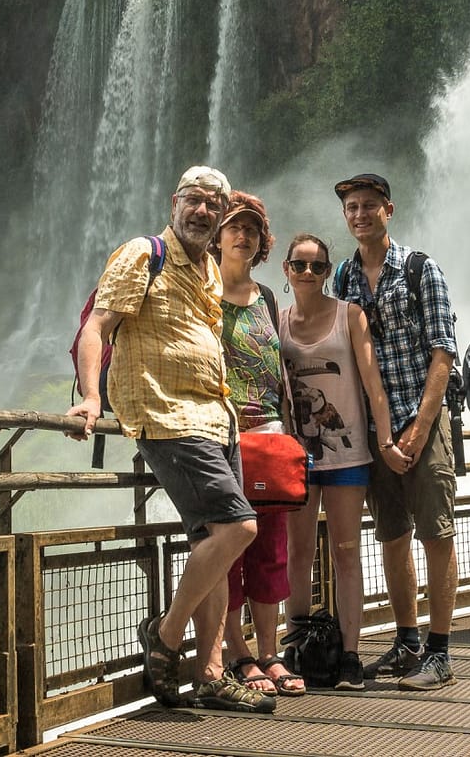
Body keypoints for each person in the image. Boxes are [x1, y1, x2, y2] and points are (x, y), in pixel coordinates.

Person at [67, 166, 275, 714]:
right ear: (174, 201)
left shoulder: (208, 267)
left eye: (213, 203)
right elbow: (99, 325)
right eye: (194, 200)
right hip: (165, 413)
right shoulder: (142, 252)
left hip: (215, 415)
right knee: (239, 527)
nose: (202, 211)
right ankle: (166, 634)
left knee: (219, 542)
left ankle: (209, 674)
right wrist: (91, 397)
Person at [332, 173, 459, 690]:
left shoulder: (420, 269)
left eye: (368, 206)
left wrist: (421, 427)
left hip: (421, 421)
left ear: (389, 210)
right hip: (373, 432)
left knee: (436, 533)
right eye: (351, 207)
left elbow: (443, 352)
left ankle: (440, 652)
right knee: (391, 534)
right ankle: (407, 642)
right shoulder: (342, 276)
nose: (359, 214)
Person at [278, 233, 392, 691]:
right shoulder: (277, 321)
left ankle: (349, 654)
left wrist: (385, 440)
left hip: (347, 454)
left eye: (318, 266)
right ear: (286, 270)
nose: (308, 273)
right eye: (299, 265)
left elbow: (373, 384)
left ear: (329, 272)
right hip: (295, 456)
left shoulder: (350, 316)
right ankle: (297, 647)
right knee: (297, 553)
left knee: (347, 552)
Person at [204, 192, 305, 698]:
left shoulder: (267, 297)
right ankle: (238, 652)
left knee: (271, 550)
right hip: (220, 440)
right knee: (230, 551)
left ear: (263, 243)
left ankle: (271, 652)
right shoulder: (202, 292)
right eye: (233, 228)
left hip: (269, 438)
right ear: (217, 236)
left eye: (252, 231)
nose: (242, 236)